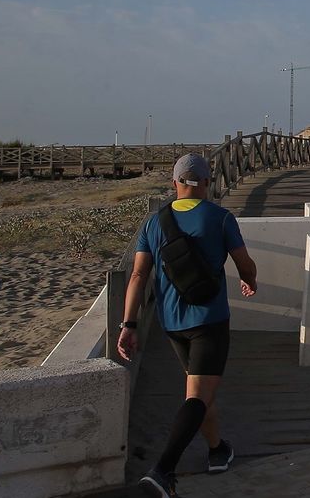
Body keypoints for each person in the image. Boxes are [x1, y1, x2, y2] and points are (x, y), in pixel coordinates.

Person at [118, 153, 258, 498]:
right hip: (209, 322)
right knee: (197, 395)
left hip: (171, 324)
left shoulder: (154, 222)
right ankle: (163, 471)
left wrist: (129, 324)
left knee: (198, 393)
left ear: (175, 184)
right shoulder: (221, 219)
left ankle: (217, 451)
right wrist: (249, 280)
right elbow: (244, 263)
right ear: (207, 183)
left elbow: (138, 275)